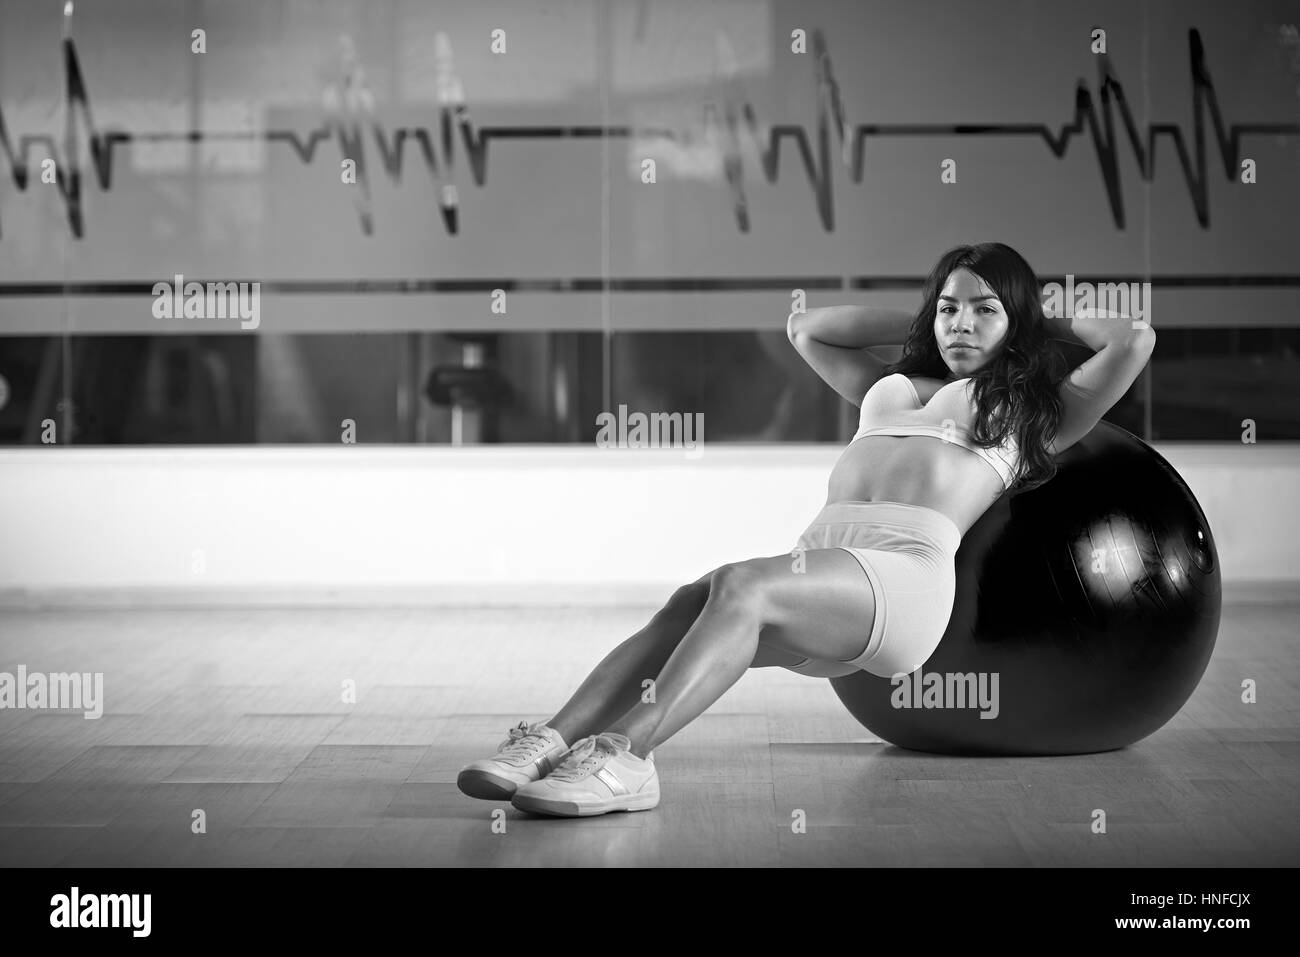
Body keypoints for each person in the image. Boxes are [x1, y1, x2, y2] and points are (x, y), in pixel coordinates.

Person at [457, 242, 1157, 817]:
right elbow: (808, 328)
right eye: (948, 310)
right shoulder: (892, 384)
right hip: (823, 560)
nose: (960, 325)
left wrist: (1034, 322)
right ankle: (548, 742)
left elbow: (1132, 337)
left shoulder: (1037, 407)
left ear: (1018, 321)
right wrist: (930, 318)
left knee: (738, 583)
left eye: (983, 311)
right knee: (686, 603)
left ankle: (627, 756)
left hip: (900, 579)